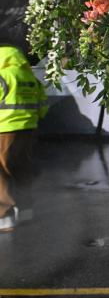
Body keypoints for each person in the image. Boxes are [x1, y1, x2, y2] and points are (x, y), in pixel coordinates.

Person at [0, 44, 47, 232]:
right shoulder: (29, 76)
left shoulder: (3, 75)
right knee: (21, 167)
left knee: (1, 172)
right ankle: (26, 209)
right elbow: (42, 102)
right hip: (28, 129)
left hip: (4, 130)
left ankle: (4, 216)